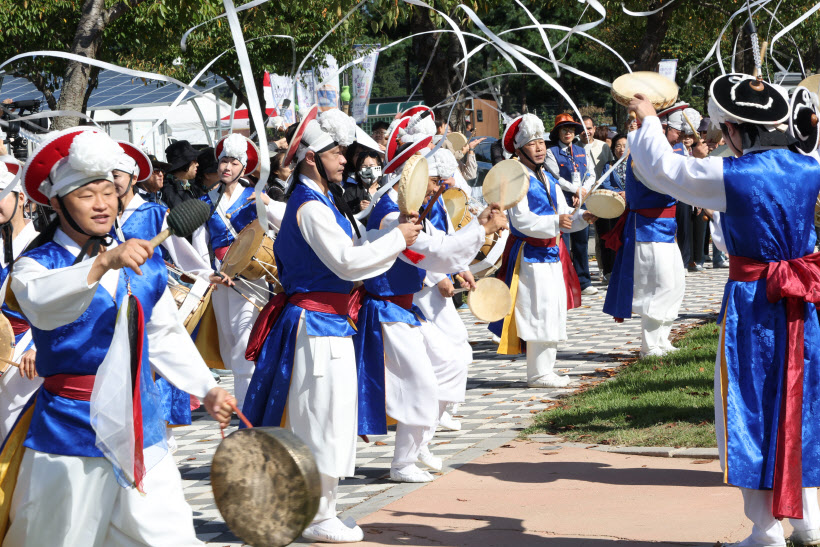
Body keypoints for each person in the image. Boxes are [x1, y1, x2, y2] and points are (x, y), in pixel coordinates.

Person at [3, 127, 234, 546]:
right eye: (86, 194)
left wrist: (207, 387)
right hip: (71, 429)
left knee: (171, 537)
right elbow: (43, 302)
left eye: (108, 191)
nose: (102, 204)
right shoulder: (35, 266)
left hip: (141, 424)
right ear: (56, 203)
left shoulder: (135, 257)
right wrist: (104, 263)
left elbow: (161, 333)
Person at [626, 72, 820, 547]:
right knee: (801, 400)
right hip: (803, 299)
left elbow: (662, 172)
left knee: (748, 405)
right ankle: (810, 521)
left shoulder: (727, 176)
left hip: (754, 302)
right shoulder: (810, 165)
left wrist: (648, 119)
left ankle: (766, 529)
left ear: (733, 129)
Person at [242, 106, 423, 543]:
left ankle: (321, 508)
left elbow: (356, 249)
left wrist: (395, 234)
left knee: (332, 417)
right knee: (320, 418)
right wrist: (399, 239)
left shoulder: (324, 202)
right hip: (316, 324)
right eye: (337, 152)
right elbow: (346, 263)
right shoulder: (310, 207)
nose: (346, 159)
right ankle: (315, 514)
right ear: (312, 157)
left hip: (331, 324)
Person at [354, 141, 506, 483]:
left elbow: (441, 248)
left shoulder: (406, 210)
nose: (439, 190)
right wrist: (482, 227)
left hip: (403, 310)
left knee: (452, 362)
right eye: (434, 182)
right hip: (386, 312)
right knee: (420, 383)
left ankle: (418, 445)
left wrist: (460, 263)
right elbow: (436, 250)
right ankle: (402, 462)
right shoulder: (392, 215)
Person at [110, 141, 215, 452]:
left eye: (117, 174)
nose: (112, 181)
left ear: (131, 176)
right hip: (115, 310)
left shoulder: (153, 212)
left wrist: (206, 274)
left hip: (151, 303)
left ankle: (160, 452)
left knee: (155, 390)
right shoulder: (101, 223)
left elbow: (183, 254)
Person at [490, 114, 596, 387]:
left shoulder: (547, 177)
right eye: (533, 143)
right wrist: (554, 221)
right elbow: (520, 220)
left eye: (541, 142)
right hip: (530, 255)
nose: (539, 147)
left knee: (552, 310)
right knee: (536, 311)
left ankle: (547, 369)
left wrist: (583, 217)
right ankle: (537, 373)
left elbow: (563, 215)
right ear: (520, 148)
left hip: (551, 253)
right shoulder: (515, 177)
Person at [191, 134, 284, 411]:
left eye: (233, 162)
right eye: (223, 162)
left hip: (254, 276)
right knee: (231, 340)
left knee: (247, 339)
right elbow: (199, 244)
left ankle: (247, 406)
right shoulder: (206, 202)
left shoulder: (255, 195)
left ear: (243, 167)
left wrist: (267, 202)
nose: (227, 167)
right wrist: (208, 274)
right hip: (222, 279)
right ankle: (252, 398)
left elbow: (284, 223)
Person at [601, 103, 686, 357]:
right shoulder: (641, 158)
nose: (679, 135)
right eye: (673, 129)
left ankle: (662, 338)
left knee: (675, 283)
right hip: (647, 229)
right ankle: (649, 345)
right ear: (658, 128)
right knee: (656, 285)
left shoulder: (658, 155)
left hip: (666, 228)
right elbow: (666, 184)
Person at [0, 156, 40, 441]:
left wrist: (40, 347)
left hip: (30, 355)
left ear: (21, 197)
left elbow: (65, 309)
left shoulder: (42, 246)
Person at [545, 113, 597, 295]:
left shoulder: (582, 149)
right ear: (558, 132)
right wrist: (574, 190)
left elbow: (591, 174)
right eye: (564, 129)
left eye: (571, 129)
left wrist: (581, 191)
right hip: (561, 201)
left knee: (582, 241)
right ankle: (565, 282)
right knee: (564, 243)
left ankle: (584, 281)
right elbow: (554, 177)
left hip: (581, 199)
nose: (568, 133)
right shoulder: (551, 153)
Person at [595, 133, 627, 281]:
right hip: (615, 205)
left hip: (632, 207)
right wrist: (619, 193)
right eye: (618, 146)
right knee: (614, 237)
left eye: (625, 146)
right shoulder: (609, 165)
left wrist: (628, 193)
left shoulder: (637, 165)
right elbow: (605, 184)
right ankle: (613, 271)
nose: (621, 149)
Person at [162, 140, 202, 208]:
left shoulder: (189, 186)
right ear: (184, 163)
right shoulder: (169, 191)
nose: (197, 164)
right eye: (194, 161)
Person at [343, 149, 382, 214]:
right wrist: (358, 209)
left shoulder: (387, 191)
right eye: (364, 166)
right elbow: (344, 214)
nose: (368, 170)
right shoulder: (350, 193)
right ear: (358, 170)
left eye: (372, 166)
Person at [581, 115, 615, 180]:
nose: (586, 132)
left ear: (594, 129)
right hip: (583, 188)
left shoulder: (604, 146)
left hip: (603, 187)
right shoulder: (574, 148)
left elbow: (611, 166)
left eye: (589, 128)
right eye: (583, 129)